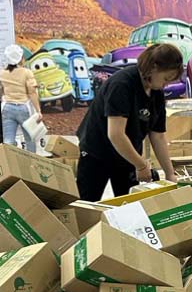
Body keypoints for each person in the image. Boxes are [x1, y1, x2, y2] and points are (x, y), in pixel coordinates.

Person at [76, 43, 180, 201]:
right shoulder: (122, 85)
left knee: (130, 205)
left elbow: (158, 136)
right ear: (153, 68)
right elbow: (116, 134)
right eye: (166, 78)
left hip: (127, 154)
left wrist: (170, 173)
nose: (167, 84)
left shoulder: (157, 93)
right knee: (87, 204)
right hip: (97, 151)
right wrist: (141, 165)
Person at [0, 44, 40, 153]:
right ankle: (31, 161)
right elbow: (32, 93)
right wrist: (38, 111)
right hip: (23, 107)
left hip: (7, 107)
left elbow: (1, 91)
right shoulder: (27, 72)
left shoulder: (2, 73)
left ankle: (9, 160)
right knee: (30, 139)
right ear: (21, 58)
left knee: (8, 140)